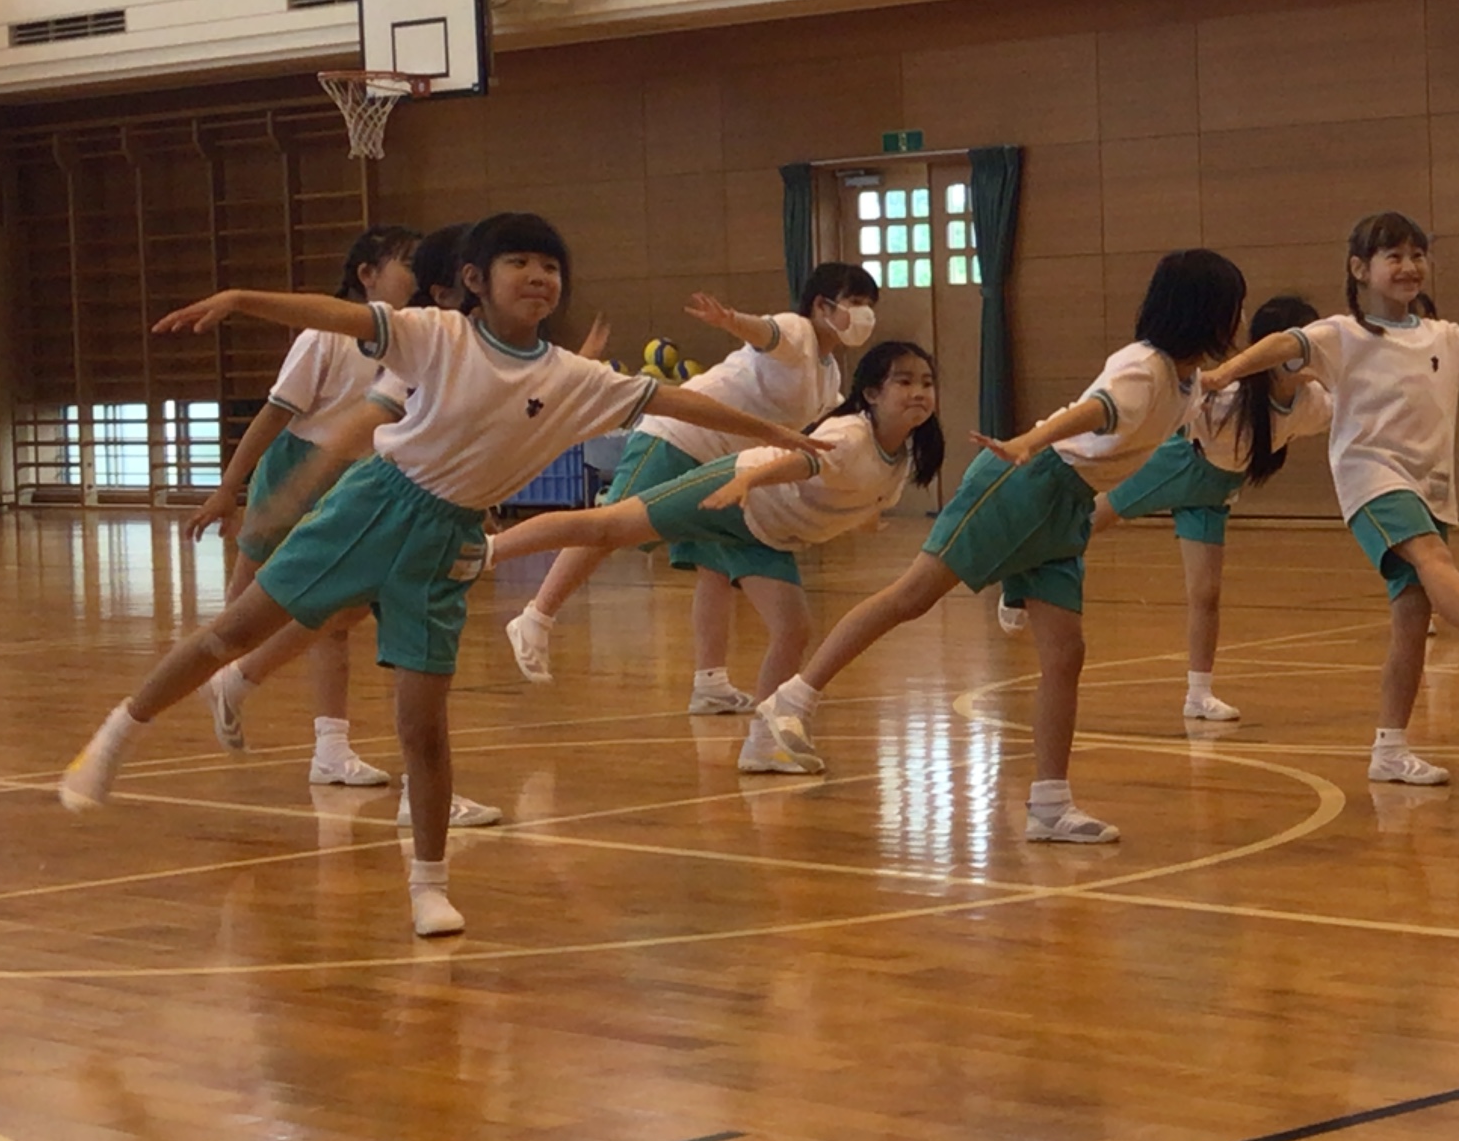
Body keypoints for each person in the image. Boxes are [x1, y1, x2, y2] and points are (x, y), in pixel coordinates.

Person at [59, 212, 830, 937]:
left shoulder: (574, 376)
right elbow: (340, 319)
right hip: (373, 506)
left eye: (550, 265)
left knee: (423, 726)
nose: (537, 276)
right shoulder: (435, 335)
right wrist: (239, 299)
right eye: (518, 262)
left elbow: (675, 397)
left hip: (448, 539)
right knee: (233, 631)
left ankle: (429, 885)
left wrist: (779, 434)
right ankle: (116, 735)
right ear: (474, 277)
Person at [747, 250, 1249, 843]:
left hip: (1066, 507)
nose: (1237, 319)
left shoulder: (1188, 381)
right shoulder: (1145, 367)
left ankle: (1049, 806)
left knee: (1066, 654)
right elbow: (1097, 410)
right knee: (913, 596)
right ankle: (791, 702)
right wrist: (1028, 440)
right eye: (1233, 307)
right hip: (1025, 482)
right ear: (1207, 311)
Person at [1201, 211, 1459, 789]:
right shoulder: (1341, 335)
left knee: (1413, 619)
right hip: (1371, 479)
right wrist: (1223, 375)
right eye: (1394, 256)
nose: (1409, 266)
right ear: (1359, 268)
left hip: (1431, 486)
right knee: (1434, 559)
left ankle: (1390, 751)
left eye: (1418, 254)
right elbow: (1280, 345)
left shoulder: (1444, 337)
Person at [478, 340, 943, 771]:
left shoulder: (901, 457)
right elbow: (806, 462)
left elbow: (855, 498)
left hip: (765, 533)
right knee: (608, 526)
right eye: (904, 381)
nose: (918, 391)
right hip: (733, 492)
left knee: (793, 628)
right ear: (871, 393)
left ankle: (763, 744)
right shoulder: (852, 434)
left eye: (925, 382)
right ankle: (488, 551)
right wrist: (747, 481)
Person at [503, 264, 881, 705]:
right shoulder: (796, 330)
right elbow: (766, 333)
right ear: (821, 305)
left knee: (717, 569)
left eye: (869, 306)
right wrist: (731, 320)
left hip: (721, 469)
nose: (864, 315)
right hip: (677, 437)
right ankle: (536, 615)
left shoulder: (829, 373)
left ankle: (710, 683)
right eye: (855, 303)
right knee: (606, 526)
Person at [182, 224, 417, 790]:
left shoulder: (414, 339)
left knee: (336, 618)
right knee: (242, 616)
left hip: (357, 479)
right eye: (407, 263)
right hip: (294, 469)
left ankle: (330, 749)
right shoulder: (325, 335)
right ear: (366, 275)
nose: (418, 274)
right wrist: (228, 488)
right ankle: (202, 689)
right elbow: (273, 415)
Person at [1091, 292, 1331, 725]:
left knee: (1206, 594)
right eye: (1296, 344)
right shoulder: (1229, 394)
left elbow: (1359, 410)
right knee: (1084, 523)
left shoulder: (1312, 402)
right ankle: (1016, 581)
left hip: (1214, 491)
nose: (1308, 353)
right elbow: (1174, 403)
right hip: (1178, 465)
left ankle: (1198, 694)